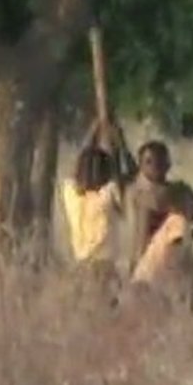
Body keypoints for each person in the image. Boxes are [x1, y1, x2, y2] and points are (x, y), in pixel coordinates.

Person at [128, 140, 193, 310]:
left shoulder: (176, 191)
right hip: (147, 262)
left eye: (159, 161)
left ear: (167, 163)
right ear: (141, 166)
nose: (155, 166)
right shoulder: (140, 193)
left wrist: (190, 235)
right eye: (149, 162)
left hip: (174, 261)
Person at [60, 116, 135, 286]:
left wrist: (95, 127)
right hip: (104, 269)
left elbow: (81, 158)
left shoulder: (72, 195)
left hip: (80, 266)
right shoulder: (107, 195)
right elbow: (132, 174)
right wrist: (121, 143)